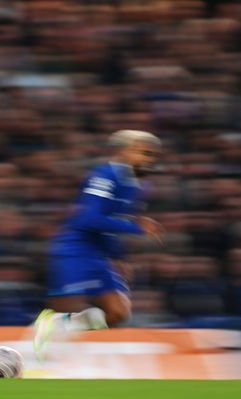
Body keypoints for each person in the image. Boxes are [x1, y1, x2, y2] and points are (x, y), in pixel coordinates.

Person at [33, 130, 164, 360]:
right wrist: (137, 227)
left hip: (99, 253)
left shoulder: (137, 187)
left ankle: (57, 326)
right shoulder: (105, 175)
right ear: (123, 151)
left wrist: (118, 257)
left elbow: (112, 224)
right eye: (143, 153)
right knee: (69, 306)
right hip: (75, 250)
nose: (149, 159)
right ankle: (42, 353)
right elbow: (88, 219)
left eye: (153, 155)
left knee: (118, 312)